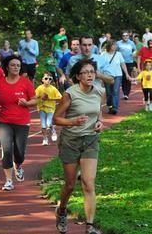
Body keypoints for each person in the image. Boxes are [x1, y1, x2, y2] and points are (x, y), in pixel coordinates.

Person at [53, 58, 105, 234]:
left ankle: (89, 227)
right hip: (71, 141)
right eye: (86, 72)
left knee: (88, 183)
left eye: (92, 71)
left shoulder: (99, 91)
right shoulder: (70, 94)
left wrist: (99, 122)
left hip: (91, 139)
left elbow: (98, 113)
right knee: (69, 184)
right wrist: (72, 121)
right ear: (78, 76)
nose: (90, 75)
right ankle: (62, 211)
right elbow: (56, 119)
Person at [0, 55, 37, 190]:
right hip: (4, 121)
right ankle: (8, 180)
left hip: (22, 122)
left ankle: (19, 165)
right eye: (13, 65)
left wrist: (27, 103)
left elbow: (35, 100)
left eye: (18, 65)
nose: (16, 67)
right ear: (7, 67)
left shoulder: (25, 82)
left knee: (19, 152)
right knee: (6, 150)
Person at [102, 40, 131, 115]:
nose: (115, 46)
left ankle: (115, 108)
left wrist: (126, 74)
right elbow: (100, 66)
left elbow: (123, 64)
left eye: (115, 45)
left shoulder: (118, 54)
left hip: (118, 75)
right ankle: (110, 106)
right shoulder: (103, 54)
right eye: (113, 45)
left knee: (115, 91)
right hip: (107, 75)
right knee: (108, 92)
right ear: (109, 46)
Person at [35, 72, 62, 146]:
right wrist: (40, 97)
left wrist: (50, 98)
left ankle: (53, 130)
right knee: (43, 126)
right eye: (46, 78)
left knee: (48, 123)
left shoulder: (53, 89)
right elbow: (34, 96)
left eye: (50, 79)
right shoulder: (39, 88)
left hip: (50, 109)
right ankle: (45, 139)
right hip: (41, 108)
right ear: (42, 79)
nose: (48, 80)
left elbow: (60, 97)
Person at [116, 31, 136, 100]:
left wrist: (133, 53)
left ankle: (126, 93)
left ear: (128, 36)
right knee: (122, 77)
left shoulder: (131, 43)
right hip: (120, 62)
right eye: (124, 35)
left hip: (129, 62)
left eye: (126, 35)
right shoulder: (118, 43)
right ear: (122, 36)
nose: (125, 37)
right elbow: (116, 51)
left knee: (127, 77)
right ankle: (124, 91)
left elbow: (135, 50)